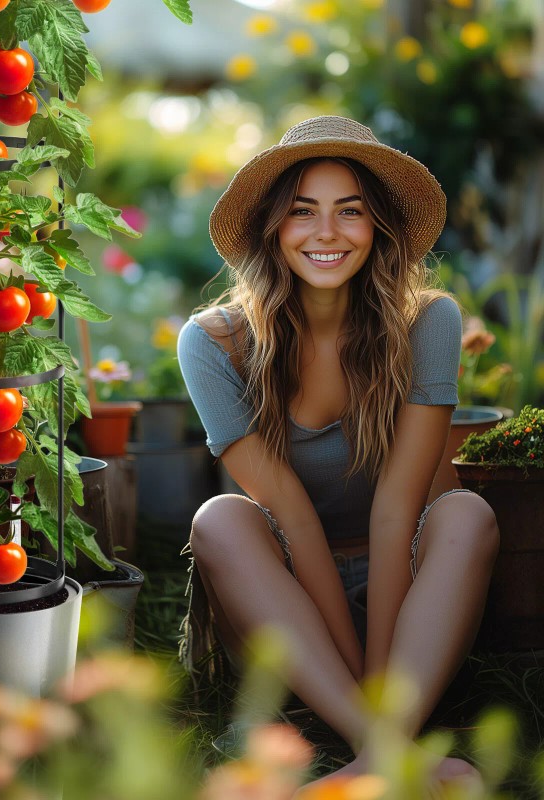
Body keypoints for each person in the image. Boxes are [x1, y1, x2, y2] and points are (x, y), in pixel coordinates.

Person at [176, 116, 500, 792]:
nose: (327, 233)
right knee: (220, 519)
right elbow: (289, 515)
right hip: (283, 600)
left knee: (466, 513)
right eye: (303, 212)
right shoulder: (215, 343)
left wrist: (381, 696)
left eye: (349, 212)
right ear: (272, 227)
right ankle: (386, 753)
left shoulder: (427, 322)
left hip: (409, 602)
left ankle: (373, 751)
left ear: (378, 226)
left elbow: (396, 512)